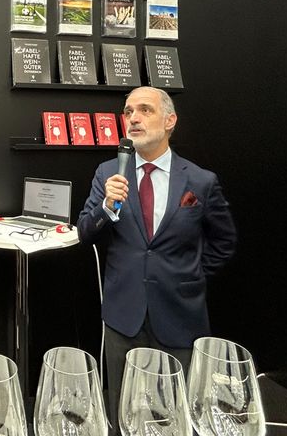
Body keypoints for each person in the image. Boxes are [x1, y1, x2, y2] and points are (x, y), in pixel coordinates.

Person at [76, 86, 236, 430]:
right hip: (123, 316)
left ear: (169, 121)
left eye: (145, 110)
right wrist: (106, 207)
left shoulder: (200, 181)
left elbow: (224, 241)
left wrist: (189, 276)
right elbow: (85, 232)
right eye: (128, 112)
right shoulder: (108, 174)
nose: (133, 118)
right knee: (124, 413)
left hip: (180, 315)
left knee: (177, 415)